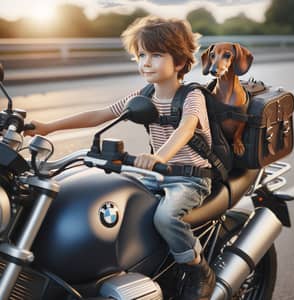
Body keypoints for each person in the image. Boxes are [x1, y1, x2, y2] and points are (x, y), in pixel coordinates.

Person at [25, 16, 216, 300]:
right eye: (141, 55)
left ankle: (198, 268)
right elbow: (100, 115)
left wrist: (159, 156)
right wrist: (49, 127)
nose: (145, 62)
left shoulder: (192, 96)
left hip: (189, 178)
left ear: (179, 62)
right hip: (158, 175)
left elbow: (186, 128)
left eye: (156, 55)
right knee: (112, 197)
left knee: (165, 217)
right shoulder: (145, 94)